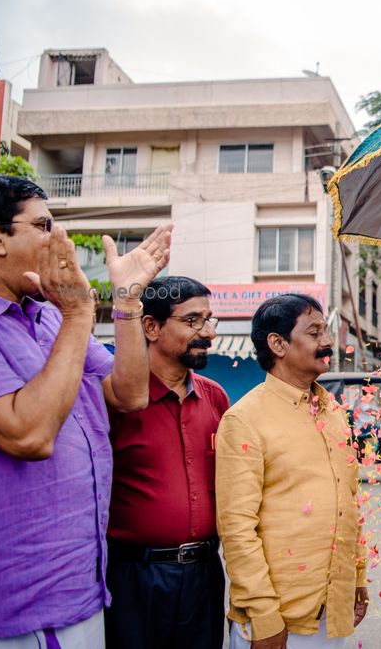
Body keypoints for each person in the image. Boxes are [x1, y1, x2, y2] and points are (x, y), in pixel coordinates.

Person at [0, 174, 171, 646]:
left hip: (83, 586)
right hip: (19, 602)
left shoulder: (49, 316)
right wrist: (80, 313)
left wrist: (125, 299)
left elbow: (129, 394)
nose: (58, 239)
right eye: (44, 225)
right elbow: (28, 434)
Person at [216, 294, 368, 648]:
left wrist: (357, 577)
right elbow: (237, 529)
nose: (328, 342)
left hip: (331, 610)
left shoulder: (332, 411)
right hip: (277, 621)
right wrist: (264, 616)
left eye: (326, 330)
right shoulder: (245, 420)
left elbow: (348, 500)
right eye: (314, 332)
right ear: (278, 343)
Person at [105, 276, 229, 649]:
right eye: (192, 321)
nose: (206, 332)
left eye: (209, 320)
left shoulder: (216, 399)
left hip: (204, 575)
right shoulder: (117, 400)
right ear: (151, 326)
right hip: (134, 577)